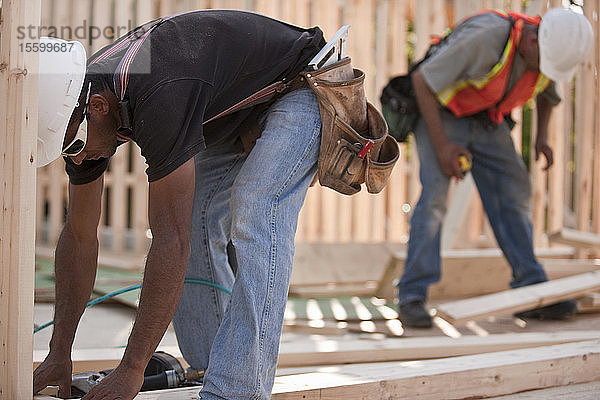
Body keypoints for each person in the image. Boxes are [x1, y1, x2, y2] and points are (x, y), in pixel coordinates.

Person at [33, 10, 327, 399]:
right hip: (236, 108)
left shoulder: (159, 92)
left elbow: (171, 241)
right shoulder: (82, 107)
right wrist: (59, 352)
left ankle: (237, 390)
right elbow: (80, 235)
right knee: (201, 219)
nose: (77, 159)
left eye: (73, 147)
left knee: (257, 209)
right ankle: (211, 364)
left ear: (99, 108)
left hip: (300, 83)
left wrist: (132, 369)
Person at [395, 8, 594, 328]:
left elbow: (547, 90)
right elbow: (422, 81)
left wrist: (541, 136)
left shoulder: (546, 51)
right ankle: (412, 295)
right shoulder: (487, 37)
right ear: (530, 40)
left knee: (515, 189)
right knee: (435, 197)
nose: (545, 69)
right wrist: (444, 146)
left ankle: (530, 289)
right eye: (543, 62)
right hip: (442, 113)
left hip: (486, 120)